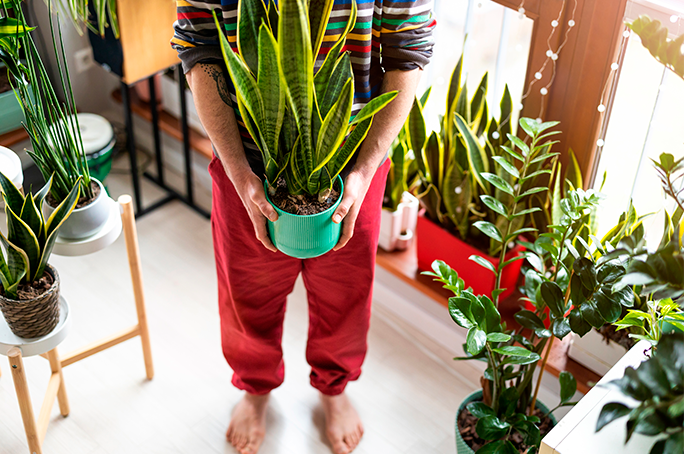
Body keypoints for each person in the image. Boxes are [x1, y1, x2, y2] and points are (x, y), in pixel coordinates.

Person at [172, 1, 434, 452]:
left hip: (352, 163)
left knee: (345, 295)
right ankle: (255, 389)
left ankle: (334, 388)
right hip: (246, 165)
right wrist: (239, 172)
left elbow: (407, 51)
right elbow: (199, 46)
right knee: (246, 294)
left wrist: (365, 169)